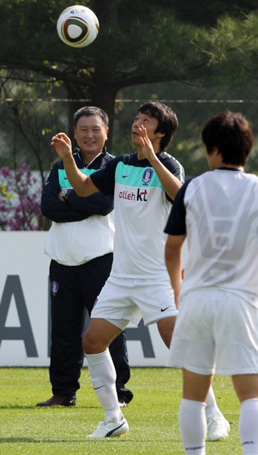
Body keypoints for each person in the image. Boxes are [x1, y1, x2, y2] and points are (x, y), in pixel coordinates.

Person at [51, 101, 228, 440]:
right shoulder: (119, 166)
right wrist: (67, 157)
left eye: (146, 121)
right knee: (92, 341)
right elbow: (84, 187)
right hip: (121, 277)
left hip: (157, 276)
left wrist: (154, 159)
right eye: (136, 118)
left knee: (179, 343)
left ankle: (215, 414)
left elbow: (182, 197)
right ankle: (113, 418)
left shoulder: (170, 165)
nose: (137, 124)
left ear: (161, 132)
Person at [164, 110, 258, 455]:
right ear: (246, 150)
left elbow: (172, 249)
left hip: (197, 299)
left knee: (193, 394)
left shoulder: (191, 188)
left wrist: (178, 292)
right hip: (242, 300)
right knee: (251, 393)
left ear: (213, 149)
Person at [37, 106, 133, 409]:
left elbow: (103, 204)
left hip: (100, 258)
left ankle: (119, 393)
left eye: (95, 129)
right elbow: (49, 206)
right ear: (74, 133)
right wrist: (81, 201)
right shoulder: (60, 166)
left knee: (108, 329)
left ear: (106, 132)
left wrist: (70, 197)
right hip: (62, 259)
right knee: (63, 331)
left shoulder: (115, 166)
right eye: (83, 129)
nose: (89, 135)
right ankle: (63, 392)